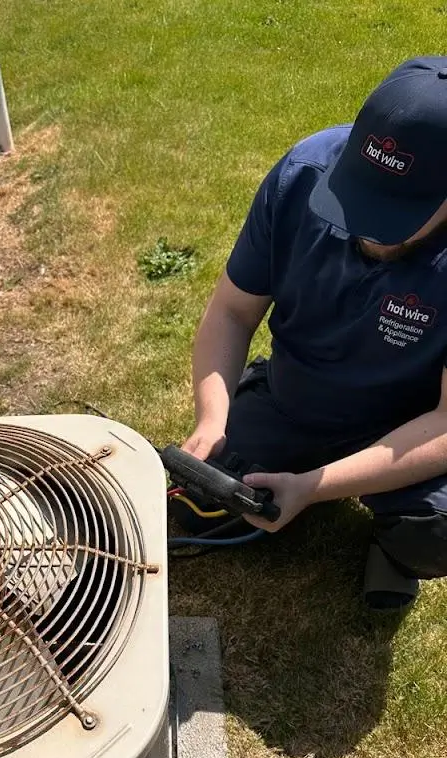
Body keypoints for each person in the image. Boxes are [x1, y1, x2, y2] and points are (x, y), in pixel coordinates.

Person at [182, 56, 447, 608]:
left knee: (437, 531)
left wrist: (315, 487)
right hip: (295, 398)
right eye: (358, 197)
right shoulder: (304, 171)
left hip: (408, 426)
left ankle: (395, 548)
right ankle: (272, 450)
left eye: (394, 214)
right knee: (196, 505)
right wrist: (212, 421)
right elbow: (232, 311)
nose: (365, 230)